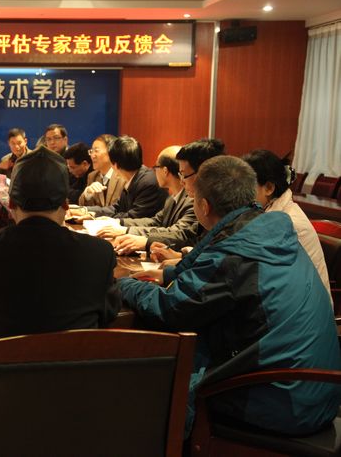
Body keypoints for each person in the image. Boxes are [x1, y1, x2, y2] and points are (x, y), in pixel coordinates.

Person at [121, 156, 341, 436]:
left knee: (157, 385)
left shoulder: (236, 254)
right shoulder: (267, 230)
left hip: (284, 400)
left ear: (203, 206)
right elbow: (211, 268)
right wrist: (168, 274)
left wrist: (125, 285)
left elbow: (172, 308)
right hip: (319, 390)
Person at [0, 147, 120, 340]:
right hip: (74, 360)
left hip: (0, 360)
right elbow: (110, 313)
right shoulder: (99, 253)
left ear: (11, 203)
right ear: (65, 204)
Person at [243, 149, 331, 299]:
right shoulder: (268, 210)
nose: (241, 193)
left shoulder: (289, 223)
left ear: (269, 188)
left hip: (305, 305)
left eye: (247, 186)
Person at [97, 145, 197, 255]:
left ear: (165, 171)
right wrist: (119, 222)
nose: (153, 172)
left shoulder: (192, 200)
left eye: (156, 167)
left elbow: (178, 233)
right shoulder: (171, 198)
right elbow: (156, 221)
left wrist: (129, 232)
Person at [149, 138, 225, 261]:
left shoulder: (218, 207)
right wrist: (181, 255)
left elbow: (215, 259)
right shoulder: (208, 201)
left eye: (184, 175)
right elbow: (195, 239)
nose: (182, 181)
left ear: (203, 174)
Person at [83, 135, 167, 219]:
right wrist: (86, 210)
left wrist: (100, 218)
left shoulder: (147, 182)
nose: (92, 155)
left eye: (96, 151)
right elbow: (117, 208)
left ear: (115, 164)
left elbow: (134, 217)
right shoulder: (133, 178)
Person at [78, 134, 125, 208]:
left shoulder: (123, 176)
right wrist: (87, 194)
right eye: (91, 151)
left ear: (111, 152)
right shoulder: (92, 176)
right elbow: (83, 207)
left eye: (96, 151)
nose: (92, 156)